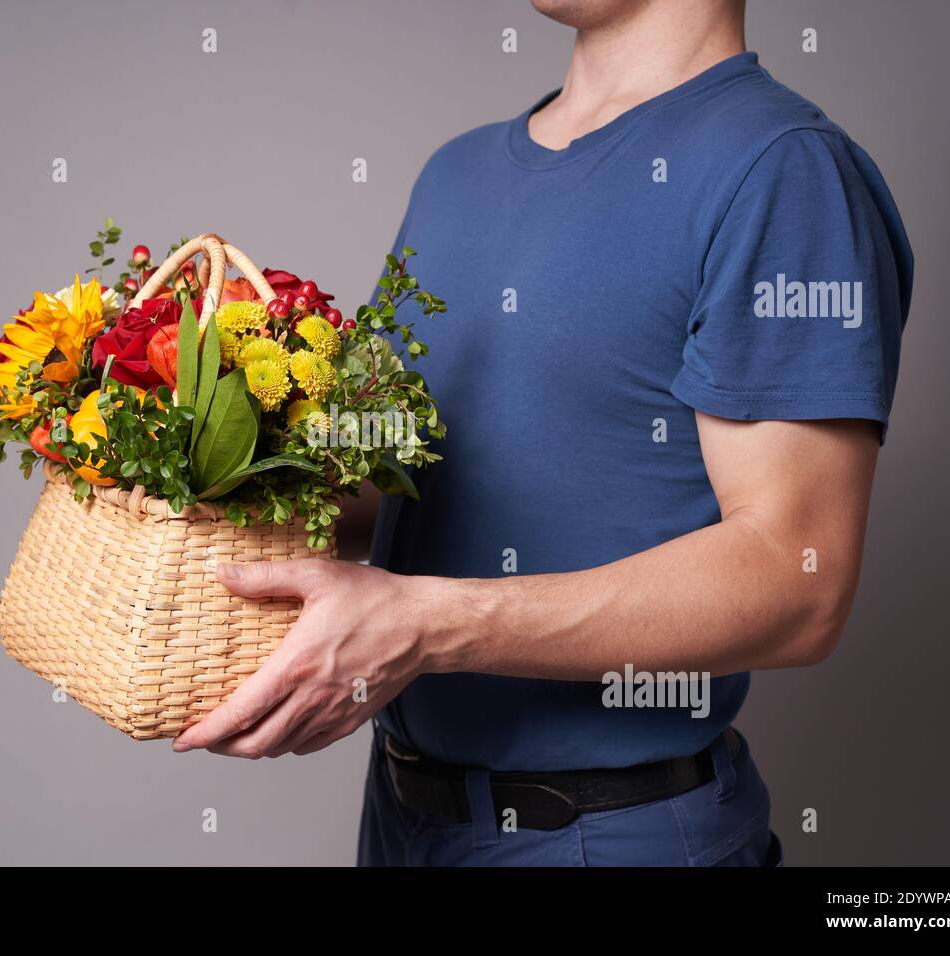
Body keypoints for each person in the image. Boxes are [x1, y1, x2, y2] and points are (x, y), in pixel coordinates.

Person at [173, 0, 912, 867]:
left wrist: (428, 624)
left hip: (611, 837)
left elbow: (798, 586)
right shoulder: (456, 173)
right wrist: (193, 475)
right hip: (404, 816)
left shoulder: (784, 170)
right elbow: (404, 484)